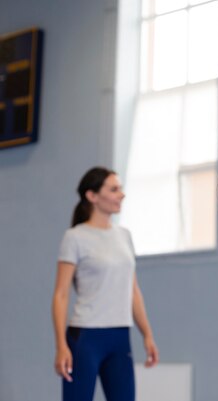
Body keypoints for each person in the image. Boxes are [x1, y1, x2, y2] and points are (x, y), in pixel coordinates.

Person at [51, 167, 159, 401]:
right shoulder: (75, 237)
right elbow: (61, 295)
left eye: (120, 188)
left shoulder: (124, 236)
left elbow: (133, 291)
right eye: (113, 189)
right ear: (92, 196)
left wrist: (147, 335)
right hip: (85, 339)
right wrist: (61, 345)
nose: (121, 194)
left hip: (119, 337)